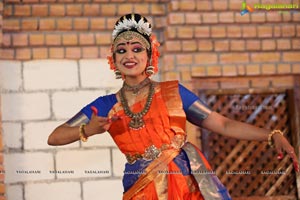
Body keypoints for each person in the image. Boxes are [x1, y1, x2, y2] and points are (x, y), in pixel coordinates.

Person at [48, 13, 299, 200]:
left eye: (137, 49)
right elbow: (55, 137)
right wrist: (87, 130)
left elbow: (221, 123)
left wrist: (270, 134)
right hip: (140, 187)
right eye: (121, 50)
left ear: (149, 57)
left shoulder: (173, 93)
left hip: (187, 185)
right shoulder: (106, 105)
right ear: (113, 60)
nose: (129, 55)